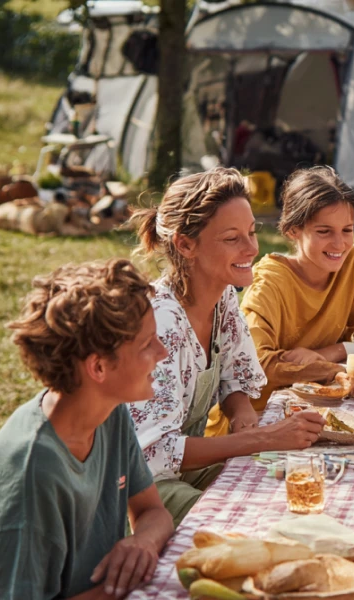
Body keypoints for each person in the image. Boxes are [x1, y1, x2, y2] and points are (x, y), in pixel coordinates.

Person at [129, 167, 325, 526]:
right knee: (249, 527)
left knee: (291, 492)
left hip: (183, 473)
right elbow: (156, 453)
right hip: (138, 492)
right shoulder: (160, 322)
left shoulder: (222, 300)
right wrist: (263, 438)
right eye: (232, 238)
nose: (252, 248)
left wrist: (242, 415)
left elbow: (235, 378)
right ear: (185, 245)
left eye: (251, 232)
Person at [0, 259, 175, 599]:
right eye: (148, 344)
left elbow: (153, 512)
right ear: (98, 367)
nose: (163, 352)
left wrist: (142, 542)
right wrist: (114, 590)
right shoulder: (31, 472)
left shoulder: (109, 412)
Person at [205, 166, 354, 436]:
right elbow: (257, 365)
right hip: (257, 420)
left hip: (325, 411)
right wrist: (332, 369)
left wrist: (334, 351)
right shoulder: (269, 282)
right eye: (324, 231)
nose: (339, 244)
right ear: (293, 230)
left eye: (347, 230)